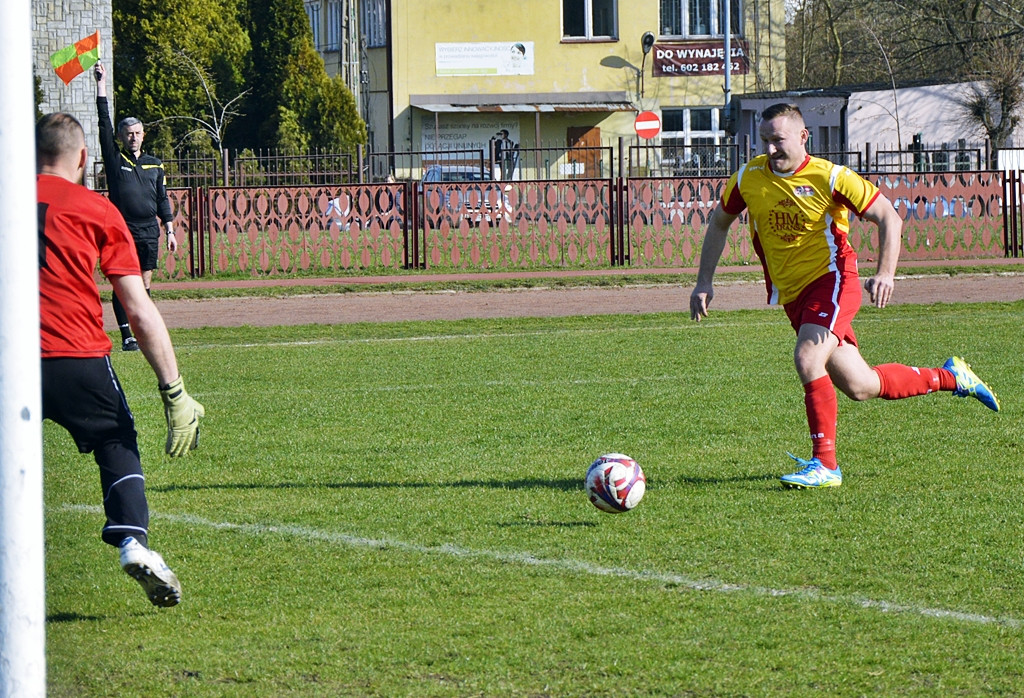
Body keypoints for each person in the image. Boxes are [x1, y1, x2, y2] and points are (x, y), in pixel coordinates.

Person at [689, 103, 1000, 489]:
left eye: (778, 141)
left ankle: (826, 466)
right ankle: (952, 377)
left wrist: (885, 273)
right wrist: (704, 281)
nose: (770, 150)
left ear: (804, 137)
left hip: (833, 280)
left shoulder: (831, 177)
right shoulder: (748, 177)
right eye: (765, 141)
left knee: (807, 358)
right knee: (861, 385)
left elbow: (889, 216)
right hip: (793, 295)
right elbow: (719, 223)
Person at [37, 112, 205, 606]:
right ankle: (133, 542)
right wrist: (174, 391)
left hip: (12, 358)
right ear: (85, 158)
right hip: (76, 354)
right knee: (116, 440)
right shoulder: (97, 209)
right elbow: (138, 307)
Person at [94, 63, 178, 352]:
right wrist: (101, 85)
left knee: (143, 285)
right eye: (128, 133)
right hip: (122, 230)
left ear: (144, 135)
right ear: (121, 137)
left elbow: (162, 198)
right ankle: (127, 335)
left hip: (148, 231)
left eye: (138, 133)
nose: (133, 137)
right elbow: (104, 123)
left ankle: (143, 331)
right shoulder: (116, 160)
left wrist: (169, 229)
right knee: (123, 283)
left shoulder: (155, 163)